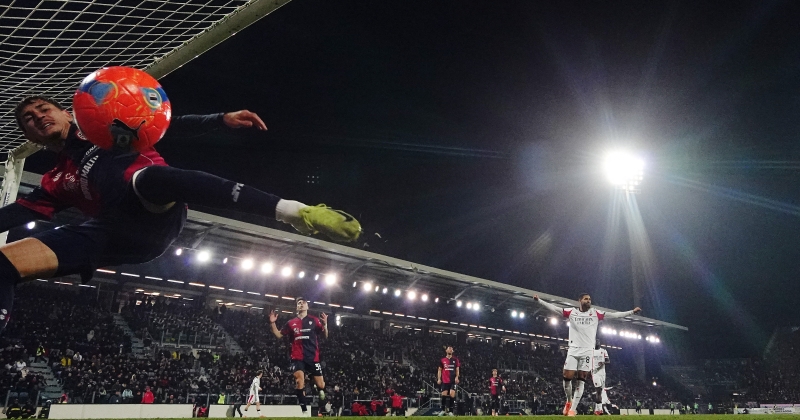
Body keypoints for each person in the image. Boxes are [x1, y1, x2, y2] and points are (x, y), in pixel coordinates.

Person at [0, 96, 362, 335]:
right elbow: (19, 212)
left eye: (43, 109)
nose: (38, 118)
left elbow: (164, 125)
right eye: (29, 120)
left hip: (155, 212)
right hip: (112, 234)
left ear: (65, 112)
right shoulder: (55, 180)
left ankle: (294, 212)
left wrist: (219, 119)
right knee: (4, 265)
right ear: (29, 135)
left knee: (148, 178)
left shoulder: (109, 133)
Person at [534, 293, 640, 417]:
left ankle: (573, 409)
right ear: (580, 300)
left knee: (581, 379)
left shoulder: (596, 313)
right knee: (567, 377)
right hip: (573, 349)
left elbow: (614, 315)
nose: (589, 301)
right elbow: (555, 309)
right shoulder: (572, 312)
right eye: (586, 299)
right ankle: (569, 401)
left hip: (587, 351)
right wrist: (539, 301)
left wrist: (631, 312)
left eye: (590, 299)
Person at [269, 298, 328, 414]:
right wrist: (272, 323)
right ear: (297, 307)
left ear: (307, 307)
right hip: (297, 357)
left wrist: (325, 325)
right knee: (299, 382)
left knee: (321, 385)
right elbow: (278, 335)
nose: (301, 304)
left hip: (313, 358)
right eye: (299, 303)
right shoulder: (291, 323)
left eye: (303, 303)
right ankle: (304, 411)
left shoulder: (314, 320)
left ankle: (315, 384)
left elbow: (325, 335)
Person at [437, 345, 460, 416]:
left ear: (452, 351)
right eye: (449, 349)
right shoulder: (442, 360)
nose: (450, 350)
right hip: (445, 380)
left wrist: (457, 377)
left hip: (452, 381)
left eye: (451, 349)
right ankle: (443, 410)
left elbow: (457, 370)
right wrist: (439, 379)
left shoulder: (455, 360)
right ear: (446, 351)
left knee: (452, 394)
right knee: (443, 395)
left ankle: (451, 411)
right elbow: (439, 370)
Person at [590, 339, 609, 415]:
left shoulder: (604, 351)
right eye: (595, 342)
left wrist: (603, 362)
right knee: (598, 390)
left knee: (600, 392)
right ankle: (600, 410)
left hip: (603, 373)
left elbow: (608, 360)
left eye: (598, 341)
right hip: (595, 373)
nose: (597, 343)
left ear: (600, 343)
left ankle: (596, 410)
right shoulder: (591, 351)